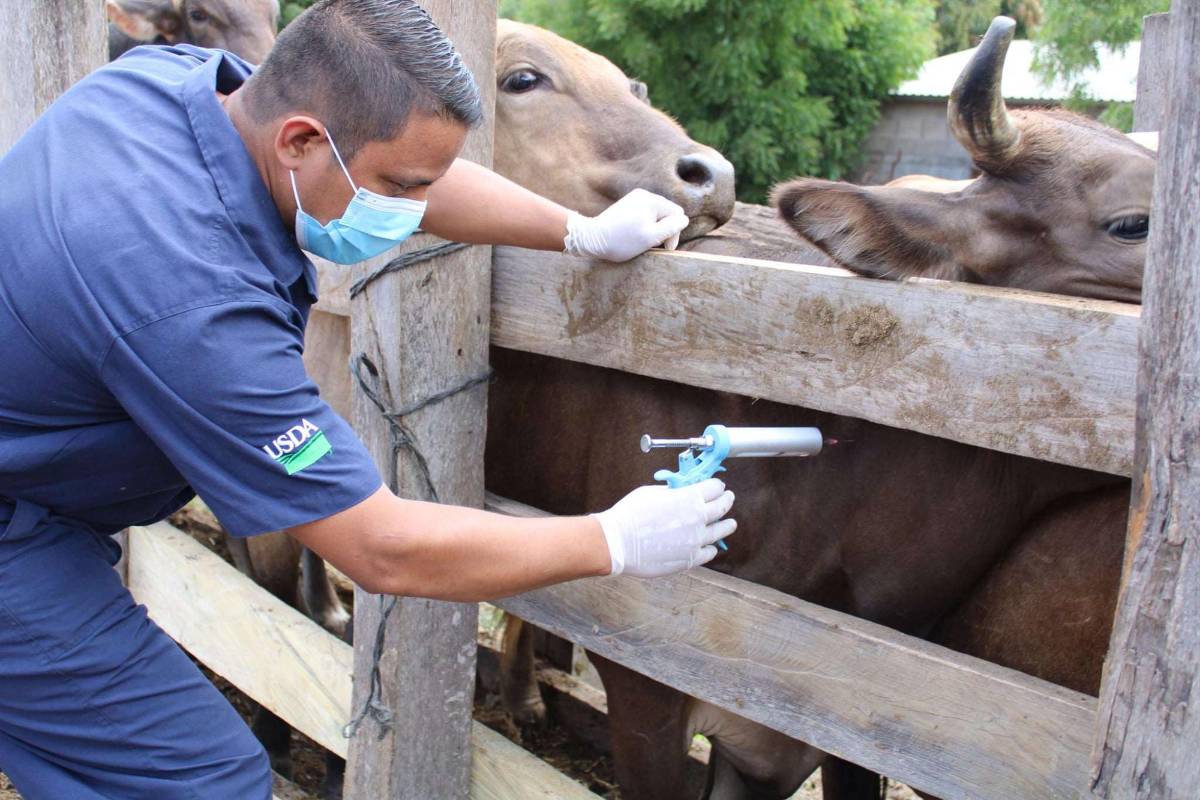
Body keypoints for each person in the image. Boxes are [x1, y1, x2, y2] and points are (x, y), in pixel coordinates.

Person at [0, 0, 737, 797]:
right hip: (16, 533)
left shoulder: (170, 87)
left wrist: (573, 231)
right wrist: (611, 541)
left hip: (38, 498)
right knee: (201, 780)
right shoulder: (193, 308)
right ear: (302, 142)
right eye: (397, 187)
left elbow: (411, 175)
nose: (408, 205)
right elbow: (380, 547)